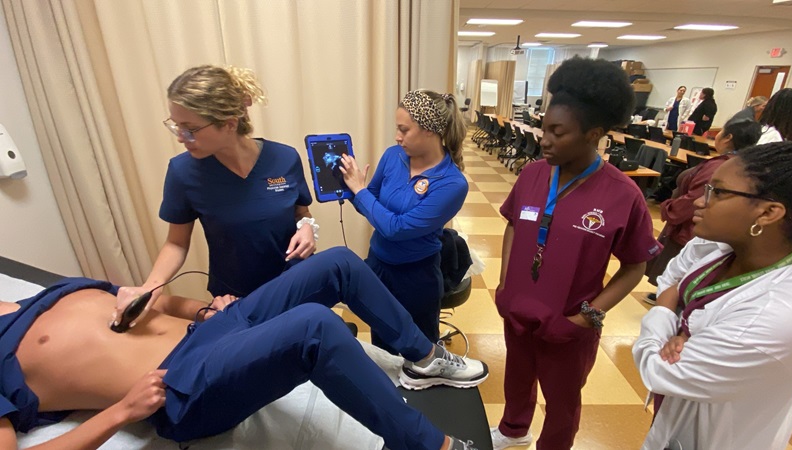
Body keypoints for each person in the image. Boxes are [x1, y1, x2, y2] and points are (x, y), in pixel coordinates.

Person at [0, 247, 488, 450]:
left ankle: (424, 359)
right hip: (179, 386)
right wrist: (120, 412)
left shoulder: (38, 295)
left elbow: (146, 302)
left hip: (212, 330)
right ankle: (433, 446)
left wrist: (200, 310)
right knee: (314, 327)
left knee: (337, 263)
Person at [490, 57, 661, 450]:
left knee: (562, 400)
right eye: (543, 127)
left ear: (593, 134)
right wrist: (504, 285)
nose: (544, 139)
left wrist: (589, 316)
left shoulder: (622, 195)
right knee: (516, 377)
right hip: (518, 310)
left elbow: (635, 266)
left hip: (569, 322)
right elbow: (515, 222)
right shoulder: (534, 173)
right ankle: (514, 430)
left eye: (557, 132)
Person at [115, 65, 317, 322]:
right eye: (175, 126)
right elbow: (176, 243)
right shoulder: (183, 172)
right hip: (234, 300)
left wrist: (309, 227)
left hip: (296, 283)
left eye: (190, 128)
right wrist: (149, 288)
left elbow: (302, 212)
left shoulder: (285, 157)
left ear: (229, 124)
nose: (180, 138)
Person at [633, 141, 792, 449]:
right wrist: (689, 331)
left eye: (718, 193)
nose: (698, 202)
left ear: (768, 212)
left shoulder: (776, 316)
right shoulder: (722, 245)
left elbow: (661, 370)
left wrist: (667, 311)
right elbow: (672, 276)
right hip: (682, 413)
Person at [339, 89, 468, 350]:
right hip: (378, 265)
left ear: (430, 130)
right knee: (382, 341)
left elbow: (397, 229)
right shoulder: (392, 156)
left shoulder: (452, 183)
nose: (397, 137)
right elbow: (369, 200)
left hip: (417, 275)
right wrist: (345, 187)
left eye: (404, 130)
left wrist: (360, 192)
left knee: (418, 351)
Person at [643, 118, 762, 303]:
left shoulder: (721, 166)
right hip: (695, 226)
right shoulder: (737, 164)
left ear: (728, 137)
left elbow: (694, 199)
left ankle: (674, 299)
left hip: (690, 225)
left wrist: (669, 208)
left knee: (682, 269)